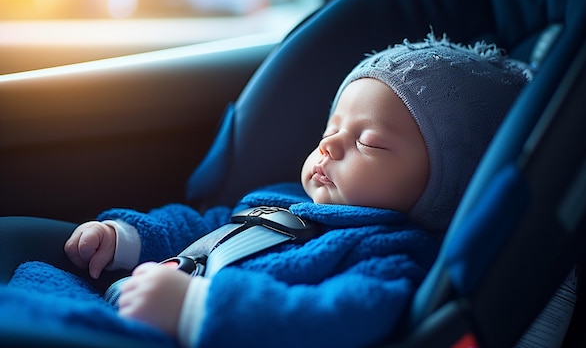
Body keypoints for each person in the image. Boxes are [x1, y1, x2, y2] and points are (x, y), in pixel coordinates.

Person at [1, 33, 531, 348]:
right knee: (36, 276)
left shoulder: (390, 251)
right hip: (135, 298)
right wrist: (125, 237)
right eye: (329, 133)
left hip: (194, 331)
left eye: (368, 142)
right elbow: (202, 227)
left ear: (441, 183)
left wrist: (196, 309)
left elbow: (342, 318)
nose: (328, 150)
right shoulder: (280, 198)